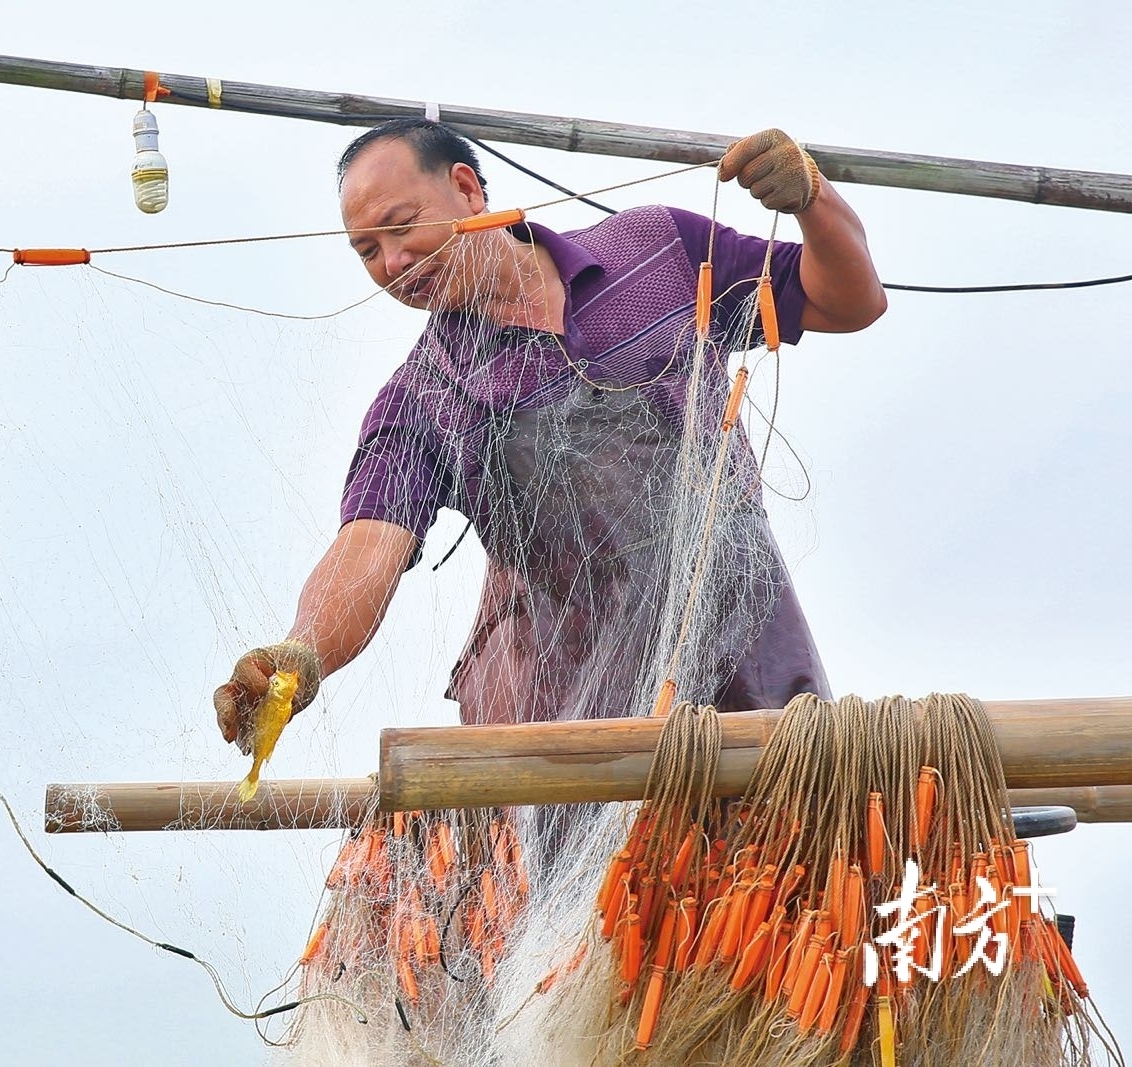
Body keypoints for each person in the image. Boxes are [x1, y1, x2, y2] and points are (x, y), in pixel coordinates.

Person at [215, 119, 885, 752]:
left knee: (800, 848)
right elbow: (367, 546)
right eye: (367, 251)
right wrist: (302, 655)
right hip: (586, 734)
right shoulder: (422, 399)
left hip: (755, 661)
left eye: (401, 227)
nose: (392, 263)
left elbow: (848, 300)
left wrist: (812, 199)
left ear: (467, 188)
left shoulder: (658, 251)